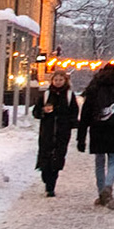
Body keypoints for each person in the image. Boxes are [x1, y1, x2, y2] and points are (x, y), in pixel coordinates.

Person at [76, 63, 114, 210]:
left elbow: (85, 114)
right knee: (113, 160)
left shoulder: (93, 88)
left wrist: (81, 137)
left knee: (99, 162)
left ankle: (101, 192)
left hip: (97, 129)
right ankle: (108, 187)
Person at [30, 69, 78, 197]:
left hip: (62, 132)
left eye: (60, 80)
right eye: (56, 80)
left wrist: (70, 122)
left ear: (65, 81)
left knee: (57, 158)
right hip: (47, 131)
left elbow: (74, 112)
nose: (58, 82)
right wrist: (43, 111)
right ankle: (46, 177)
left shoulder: (69, 96)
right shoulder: (46, 95)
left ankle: (51, 185)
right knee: (45, 156)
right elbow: (36, 112)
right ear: (52, 81)